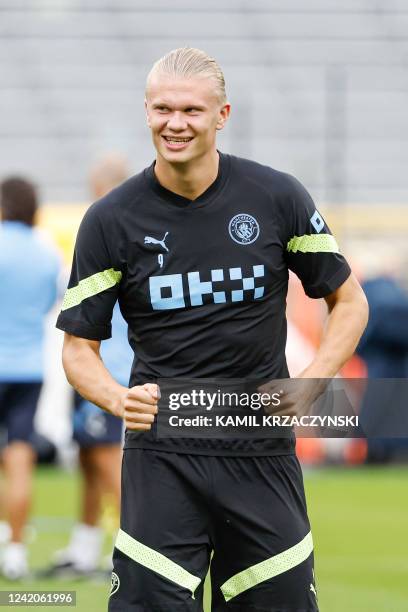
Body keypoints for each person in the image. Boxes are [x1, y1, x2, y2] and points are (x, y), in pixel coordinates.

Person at [56, 48, 368, 611]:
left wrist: (314, 380)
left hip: (261, 452)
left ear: (222, 115)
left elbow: (348, 301)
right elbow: (79, 348)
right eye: (162, 109)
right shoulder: (110, 219)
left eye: (192, 111)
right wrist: (117, 397)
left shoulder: (277, 197)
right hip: (162, 456)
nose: (174, 123)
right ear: (146, 111)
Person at [45, 155, 134, 576]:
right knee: (87, 455)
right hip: (89, 362)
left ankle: (136, 546)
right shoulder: (108, 231)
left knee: (104, 458)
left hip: (110, 367)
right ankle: (83, 548)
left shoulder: (119, 231)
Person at [0, 177, 60, 579]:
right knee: (20, 457)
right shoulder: (47, 251)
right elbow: (47, 303)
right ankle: (16, 552)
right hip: (28, 368)